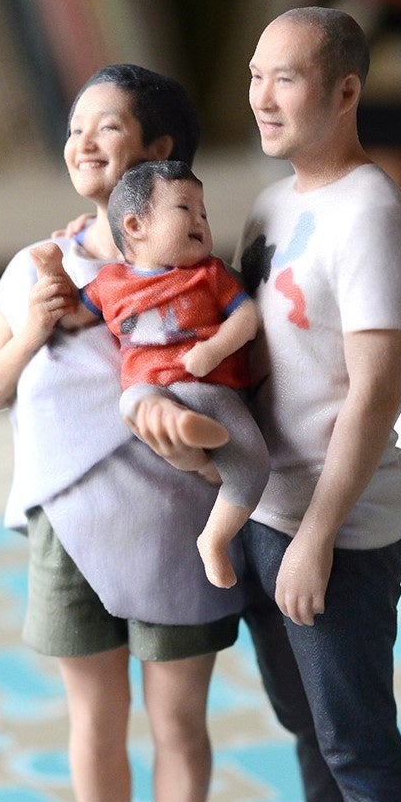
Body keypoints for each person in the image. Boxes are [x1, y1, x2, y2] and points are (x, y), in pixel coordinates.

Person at [133, 6, 401, 802]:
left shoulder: (375, 216)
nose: (261, 97)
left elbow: (374, 396)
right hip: (260, 506)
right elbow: (234, 338)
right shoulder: (266, 203)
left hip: (340, 527)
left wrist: (316, 533)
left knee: (358, 738)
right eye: (255, 75)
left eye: (287, 78)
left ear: (345, 91)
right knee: (304, 719)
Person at [0, 64, 245, 802]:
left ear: (160, 151)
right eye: (75, 125)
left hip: (176, 520)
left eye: (109, 126)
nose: (83, 141)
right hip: (69, 522)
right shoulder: (36, 268)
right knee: (94, 718)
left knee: (179, 721)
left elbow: (244, 378)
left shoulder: (201, 274)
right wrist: (30, 330)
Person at [31, 159, 269, 591]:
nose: (200, 220)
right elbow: (72, 318)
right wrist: (52, 273)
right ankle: (178, 425)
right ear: (135, 226)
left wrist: (214, 349)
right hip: (147, 388)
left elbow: (247, 318)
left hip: (210, 387)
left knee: (254, 465)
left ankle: (214, 538)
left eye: (204, 213)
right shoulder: (110, 282)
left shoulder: (211, 274)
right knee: (135, 403)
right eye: (185, 209)